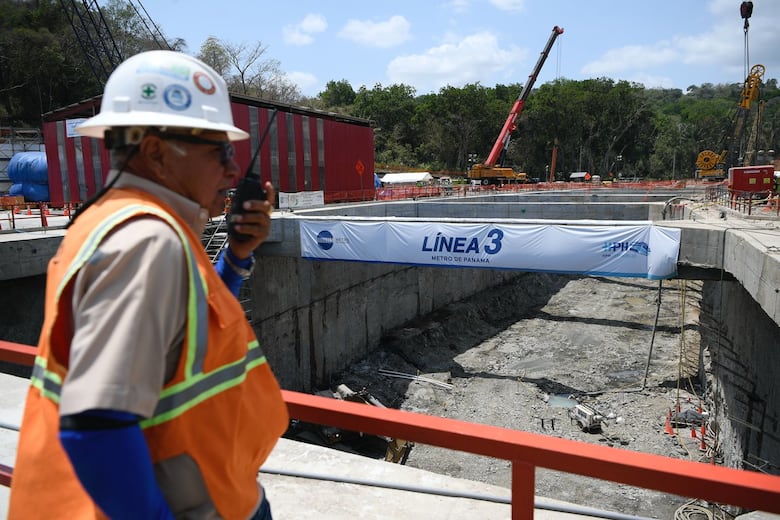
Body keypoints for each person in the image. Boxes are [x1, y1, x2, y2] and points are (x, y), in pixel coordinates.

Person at [9, 50, 289, 519]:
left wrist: (238, 257)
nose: (231, 170)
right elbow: (96, 424)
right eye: (218, 150)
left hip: (218, 491)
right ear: (157, 152)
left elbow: (190, 333)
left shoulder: (125, 223)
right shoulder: (147, 242)